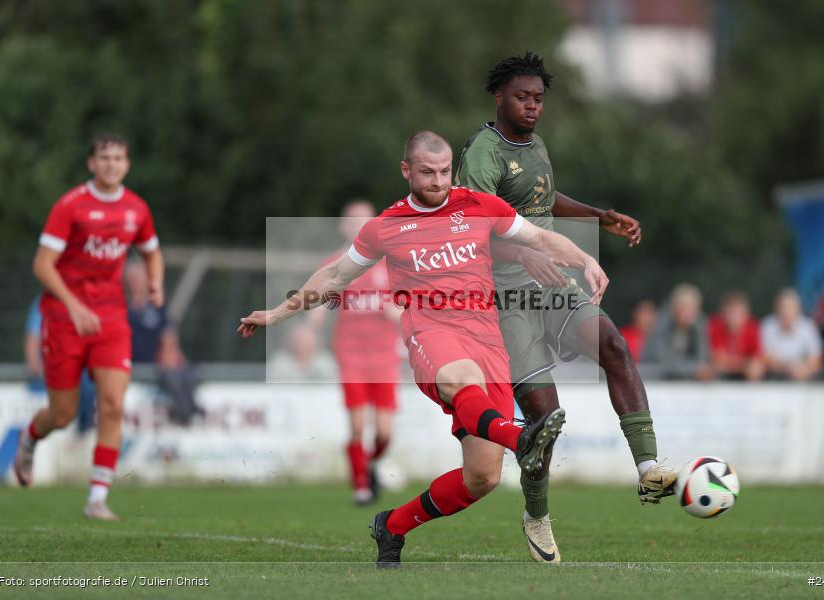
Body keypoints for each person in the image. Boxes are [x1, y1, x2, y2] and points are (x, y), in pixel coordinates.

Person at [239, 130, 608, 567]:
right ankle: (520, 436)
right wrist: (276, 314)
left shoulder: (480, 206)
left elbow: (539, 240)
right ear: (406, 171)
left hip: (487, 338)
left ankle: (391, 525)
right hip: (430, 332)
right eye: (427, 172)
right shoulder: (386, 227)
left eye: (444, 171)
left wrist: (586, 259)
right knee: (460, 380)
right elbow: (335, 277)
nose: (438, 181)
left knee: (482, 478)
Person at [455, 52, 675, 563]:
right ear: (499, 97)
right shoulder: (483, 154)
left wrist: (600, 216)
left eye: (538, 99)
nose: (532, 107)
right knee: (545, 421)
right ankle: (537, 515)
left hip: (554, 286)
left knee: (615, 346)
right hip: (505, 299)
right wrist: (525, 254)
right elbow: (471, 231)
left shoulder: (535, 146)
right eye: (522, 97)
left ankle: (648, 471)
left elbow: (543, 200)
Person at [14, 133, 164, 521]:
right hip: (65, 320)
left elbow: (151, 251)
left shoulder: (136, 208)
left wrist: (156, 281)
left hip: (111, 319)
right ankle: (30, 438)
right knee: (61, 415)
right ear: (91, 164)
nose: (112, 164)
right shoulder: (71, 206)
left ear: (127, 165)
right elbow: (42, 264)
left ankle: (97, 497)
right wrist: (74, 306)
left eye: (118, 158)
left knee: (113, 404)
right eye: (104, 157)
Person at [300, 200, 403, 506]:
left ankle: (370, 465)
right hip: (352, 355)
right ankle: (360, 487)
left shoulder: (390, 264)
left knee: (384, 433)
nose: (359, 225)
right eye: (353, 220)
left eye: (365, 220)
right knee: (358, 425)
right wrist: (312, 321)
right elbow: (321, 300)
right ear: (343, 226)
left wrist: (395, 312)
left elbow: (403, 306)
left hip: (384, 356)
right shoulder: (336, 262)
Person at [126, 260, 201, 425]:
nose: (135, 283)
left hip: (157, 364)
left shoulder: (157, 308)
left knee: (188, 372)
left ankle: (189, 411)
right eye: (132, 279)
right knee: (172, 376)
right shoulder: (122, 308)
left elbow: (169, 337)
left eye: (138, 278)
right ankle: (189, 414)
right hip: (131, 366)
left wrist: (171, 355)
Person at [25, 296, 97, 431]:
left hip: (78, 371)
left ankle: (84, 430)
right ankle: (31, 435)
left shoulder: (90, 299)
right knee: (60, 414)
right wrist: (34, 361)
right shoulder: (44, 304)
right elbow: (33, 338)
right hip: (55, 368)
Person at [641, 283, 714, 380]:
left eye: (692, 309)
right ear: (675, 308)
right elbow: (663, 362)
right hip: (655, 379)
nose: (689, 313)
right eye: (685, 308)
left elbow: (703, 359)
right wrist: (693, 369)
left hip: (685, 380)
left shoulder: (698, 325)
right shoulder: (660, 325)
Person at [759, 288, 823, 381]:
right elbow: (765, 359)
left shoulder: (808, 327)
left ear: (798, 310)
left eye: (791, 308)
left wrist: (804, 370)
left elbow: (817, 359)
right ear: (777, 309)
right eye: (783, 307)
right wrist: (788, 368)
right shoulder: (768, 326)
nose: (786, 312)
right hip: (773, 378)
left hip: (803, 379)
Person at [708, 290, 764, 381]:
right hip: (721, 376)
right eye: (730, 312)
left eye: (737, 313)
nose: (734, 317)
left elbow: (758, 359)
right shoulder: (715, 326)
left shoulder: (752, 328)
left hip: (744, 375)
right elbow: (717, 360)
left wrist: (733, 364)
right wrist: (744, 364)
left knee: (755, 371)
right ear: (723, 314)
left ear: (745, 314)